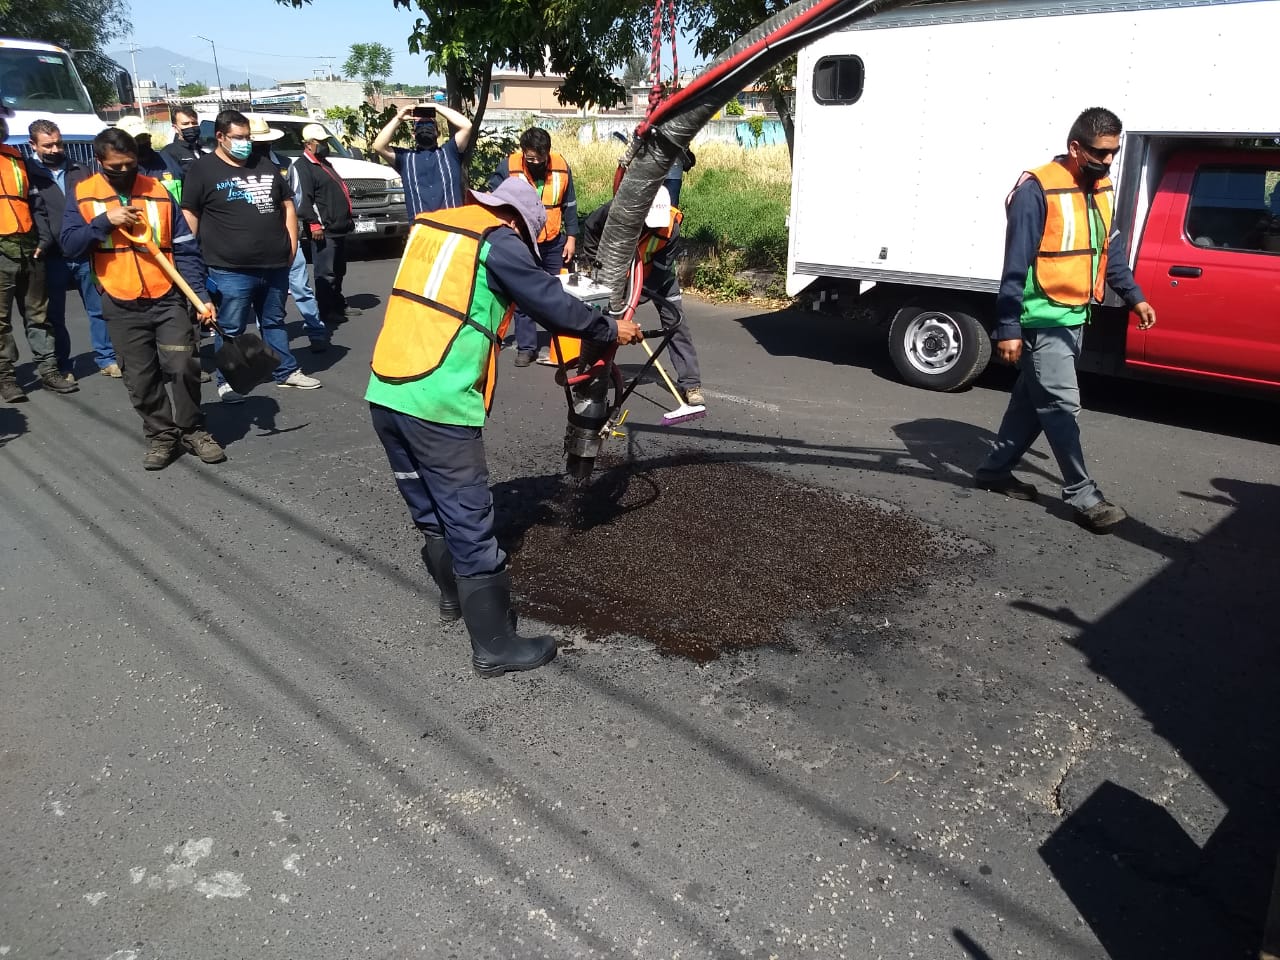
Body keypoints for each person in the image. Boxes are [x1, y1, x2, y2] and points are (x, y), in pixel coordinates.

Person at [366, 177, 642, 678]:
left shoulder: (434, 225)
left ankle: (453, 600)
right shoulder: (498, 241)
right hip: (438, 396)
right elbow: (548, 302)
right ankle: (494, 646)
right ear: (517, 221)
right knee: (470, 519)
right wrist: (608, 328)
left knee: (428, 508)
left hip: (386, 388)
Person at [973, 107, 1156, 534]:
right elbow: (1014, 265)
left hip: (1074, 316)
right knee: (1059, 405)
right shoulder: (1037, 190)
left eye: (1113, 152)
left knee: (1030, 404)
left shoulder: (1100, 188)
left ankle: (994, 472)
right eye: (1099, 152)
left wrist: (1134, 296)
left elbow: (1108, 252)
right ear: (1075, 147)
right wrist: (1008, 328)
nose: (1108, 160)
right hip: (1042, 319)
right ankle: (1083, 494)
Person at [59, 127, 224, 469]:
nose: (123, 171)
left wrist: (200, 296)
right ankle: (161, 436)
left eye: (130, 164)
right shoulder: (84, 194)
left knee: (183, 365)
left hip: (166, 295)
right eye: (115, 166)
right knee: (140, 376)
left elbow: (185, 249)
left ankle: (194, 430)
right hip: (118, 297)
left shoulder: (158, 191)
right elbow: (70, 245)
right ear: (99, 162)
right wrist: (104, 222)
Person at [181, 109, 321, 402]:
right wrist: (188, 259)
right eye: (239, 138)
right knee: (230, 326)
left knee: (274, 320)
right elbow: (190, 215)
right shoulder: (202, 170)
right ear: (220, 137)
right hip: (229, 268)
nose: (245, 143)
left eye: (248, 137)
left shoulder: (265, 165)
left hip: (274, 262)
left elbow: (287, 205)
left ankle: (286, 371)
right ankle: (228, 381)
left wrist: (292, 245)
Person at [578, 186, 704, 406]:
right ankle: (593, 375)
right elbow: (590, 226)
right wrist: (595, 262)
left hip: (659, 278)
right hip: (617, 278)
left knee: (677, 325)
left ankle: (691, 384)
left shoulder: (670, 227)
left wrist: (633, 303)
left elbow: (659, 269)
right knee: (607, 325)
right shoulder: (616, 211)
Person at [27, 119, 122, 380]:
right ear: (32, 144)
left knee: (98, 309)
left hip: (84, 251)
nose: (55, 149)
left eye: (58, 143)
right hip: (52, 256)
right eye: (47, 145)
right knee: (55, 315)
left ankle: (106, 358)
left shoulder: (80, 170)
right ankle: (63, 365)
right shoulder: (27, 174)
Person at [488, 127, 579, 366]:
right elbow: (494, 200)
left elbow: (570, 204)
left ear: (547, 153)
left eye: (540, 158)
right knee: (522, 293)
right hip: (522, 241)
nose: (535, 162)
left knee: (558, 293)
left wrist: (571, 237)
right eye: (531, 159)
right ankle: (526, 348)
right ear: (523, 153)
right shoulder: (508, 166)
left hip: (553, 241)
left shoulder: (560, 165)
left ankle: (559, 346)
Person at [0, 112, 74, 402]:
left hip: (30, 247)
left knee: (38, 315)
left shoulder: (17, 159)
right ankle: (6, 378)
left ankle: (48, 370)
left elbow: (34, 201)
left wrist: (43, 238)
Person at [247, 117, 330, 354]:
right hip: (257, 243)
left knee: (301, 287)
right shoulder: (242, 168)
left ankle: (316, 330)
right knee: (266, 294)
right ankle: (269, 342)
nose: (262, 146)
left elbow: (298, 200)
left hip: (286, 236)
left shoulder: (285, 165)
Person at [295, 123, 355, 331]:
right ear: (308, 144)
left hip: (338, 227)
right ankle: (326, 309)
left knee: (339, 270)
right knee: (325, 272)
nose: (324, 146)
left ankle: (338, 304)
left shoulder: (323, 163)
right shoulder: (302, 167)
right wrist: (313, 223)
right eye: (320, 143)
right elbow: (304, 199)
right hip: (323, 229)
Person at [370, 102, 472, 219]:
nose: (424, 128)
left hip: (452, 229)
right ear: (413, 134)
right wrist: (399, 118)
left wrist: (436, 107)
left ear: (438, 133)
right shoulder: (405, 158)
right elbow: (378, 146)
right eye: (420, 125)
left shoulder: (449, 153)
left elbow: (466, 126)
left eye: (429, 125)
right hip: (421, 230)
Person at [159, 105, 205, 200]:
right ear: (175, 128)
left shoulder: (202, 151)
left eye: (194, 123)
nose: (191, 127)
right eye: (185, 124)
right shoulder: (168, 153)